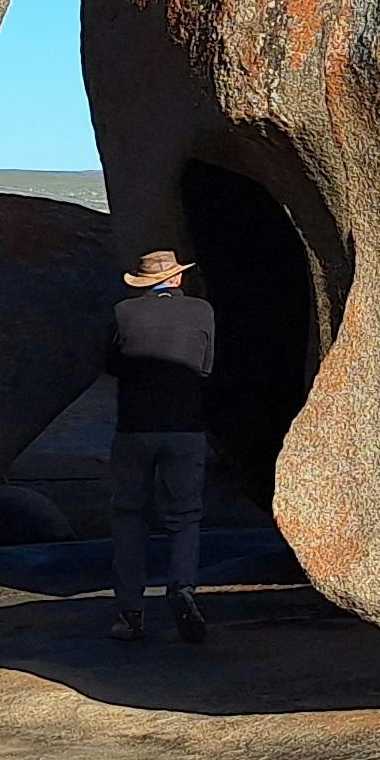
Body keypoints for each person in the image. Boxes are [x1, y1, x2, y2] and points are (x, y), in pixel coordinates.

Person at [106, 247, 217, 645]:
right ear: (178, 278)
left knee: (129, 517)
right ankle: (183, 590)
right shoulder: (201, 311)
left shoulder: (124, 313)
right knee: (185, 516)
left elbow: (111, 362)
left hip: (134, 428)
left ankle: (131, 613)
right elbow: (205, 366)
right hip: (184, 428)